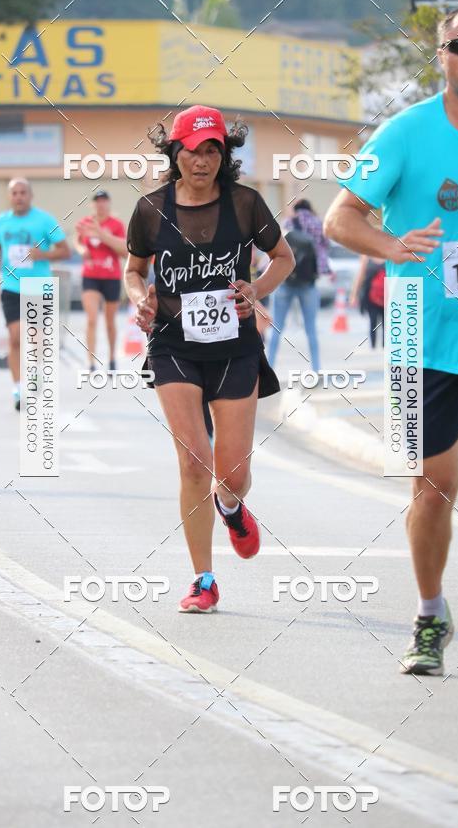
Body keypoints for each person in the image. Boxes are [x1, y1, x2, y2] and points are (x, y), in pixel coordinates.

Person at [325, 4, 458, 677]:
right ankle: (431, 612)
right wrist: (392, 244)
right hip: (415, 326)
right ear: (441, 54)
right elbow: (338, 219)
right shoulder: (404, 133)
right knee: (431, 488)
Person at [124, 105, 294, 613]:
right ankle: (203, 579)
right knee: (194, 461)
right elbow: (133, 270)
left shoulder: (245, 204)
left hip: (234, 347)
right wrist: (140, 298)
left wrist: (256, 288)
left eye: (212, 150)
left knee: (232, 472)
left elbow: (284, 258)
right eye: (192, 150)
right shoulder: (151, 209)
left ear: (225, 153)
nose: (201, 161)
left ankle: (232, 504)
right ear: (174, 153)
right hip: (174, 345)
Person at [0, 178, 70, 410]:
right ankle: (18, 389)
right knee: (15, 338)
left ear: (30, 195)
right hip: (12, 287)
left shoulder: (44, 220)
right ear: (9, 196)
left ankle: (35, 375)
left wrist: (42, 255)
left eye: (23, 192)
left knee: (36, 339)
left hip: (39, 286)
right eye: (14, 193)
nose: (19, 197)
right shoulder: (1, 221)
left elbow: (65, 251)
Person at [75, 190, 127, 371]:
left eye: (104, 201)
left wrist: (102, 235)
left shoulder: (117, 225)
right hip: (90, 275)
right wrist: (82, 250)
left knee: (109, 321)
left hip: (111, 276)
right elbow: (79, 242)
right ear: (93, 204)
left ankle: (112, 357)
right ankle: (90, 360)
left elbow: (124, 251)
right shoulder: (85, 223)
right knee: (91, 318)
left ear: (109, 204)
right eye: (97, 201)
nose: (101, 204)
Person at [267, 207, 320, 372]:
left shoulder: (284, 228)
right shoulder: (315, 227)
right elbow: (320, 260)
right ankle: (316, 369)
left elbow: (272, 256)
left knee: (276, 328)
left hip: (284, 283)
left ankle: (269, 368)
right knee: (311, 329)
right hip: (307, 285)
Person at [349, 255, 385, 347]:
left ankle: (386, 347)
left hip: (387, 297)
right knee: (373, 321)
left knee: (387, 323)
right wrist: (354, 295)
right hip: (371, 297)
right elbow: (360, 276)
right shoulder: (366, 256)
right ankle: (373, 346)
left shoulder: (388, 252)